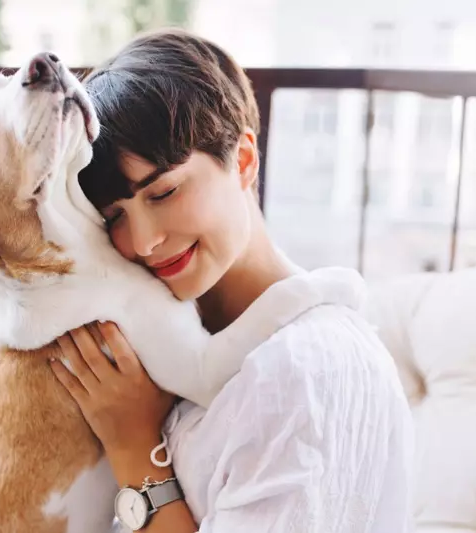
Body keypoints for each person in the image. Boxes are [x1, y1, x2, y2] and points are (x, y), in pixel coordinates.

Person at [48, 28, 415, 532]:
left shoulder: (300, 372)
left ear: (242, 159)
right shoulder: (166, 339)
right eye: (115, 216)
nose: (145, 240)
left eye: (163, 192)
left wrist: (134, 446)